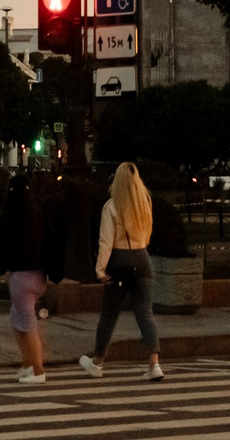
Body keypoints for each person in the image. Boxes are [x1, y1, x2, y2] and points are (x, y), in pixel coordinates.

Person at [76, 162, 163, 381]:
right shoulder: (144, 203)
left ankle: (98, 361)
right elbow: (148, 234)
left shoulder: (111, 206)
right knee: (145, 313)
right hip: (143, 258)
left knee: (109, 313)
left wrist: (100, 269)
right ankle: (154, 364)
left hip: (120, 260)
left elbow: (106, 241)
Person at [0, 173, 55, 384]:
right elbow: (51, 243)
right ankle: (28, 365)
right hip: (39, 277)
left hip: (20, 278)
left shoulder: (9, 216)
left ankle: (38, 370)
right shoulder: (38, 215)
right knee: (17, 319)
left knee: (27, 324)